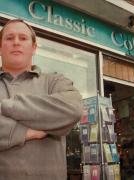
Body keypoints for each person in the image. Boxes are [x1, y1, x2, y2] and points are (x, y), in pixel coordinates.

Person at [0, 19, 83, 180]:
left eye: (23, 38)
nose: (16, 42)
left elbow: (72, 110)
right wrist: (26, 132)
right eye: (9, 38)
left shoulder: (55, 81)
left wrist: (6, 106)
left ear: (34, 48)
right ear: (0, 47)